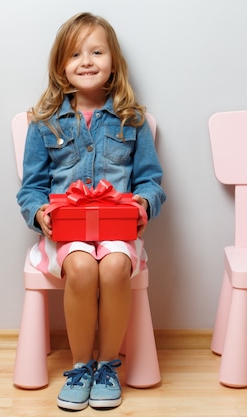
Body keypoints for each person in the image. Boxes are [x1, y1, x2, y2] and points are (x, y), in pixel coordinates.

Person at [16, 12, 166, 411]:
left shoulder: (131, 121)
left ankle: (106, 365)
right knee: (82, 267)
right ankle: (81, 365)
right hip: (66, 234)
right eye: (75, 54)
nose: (86, 61)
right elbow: (31, 189)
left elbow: (151, 181)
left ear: (112, 62)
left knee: (115, 266)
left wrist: (144, 203)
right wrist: (40, 214)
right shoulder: (44, 123)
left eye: (96, 52)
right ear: (61, 67)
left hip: (118, 230)